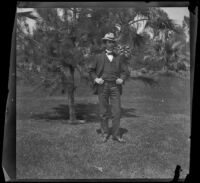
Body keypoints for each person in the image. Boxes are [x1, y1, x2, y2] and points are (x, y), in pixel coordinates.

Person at [88, 33, 130, 143]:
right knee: (103, 112)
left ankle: (116, 135)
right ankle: (104, 133)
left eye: (112, 42)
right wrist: (96, 79)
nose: (110, 44)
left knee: (117, 112)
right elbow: (91, 70)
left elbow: (126, 72)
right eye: (108, 42)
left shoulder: (119, 58)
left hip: (115, 87)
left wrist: (122, 79)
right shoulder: (98, 57)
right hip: (103, 86)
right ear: (105, 43)